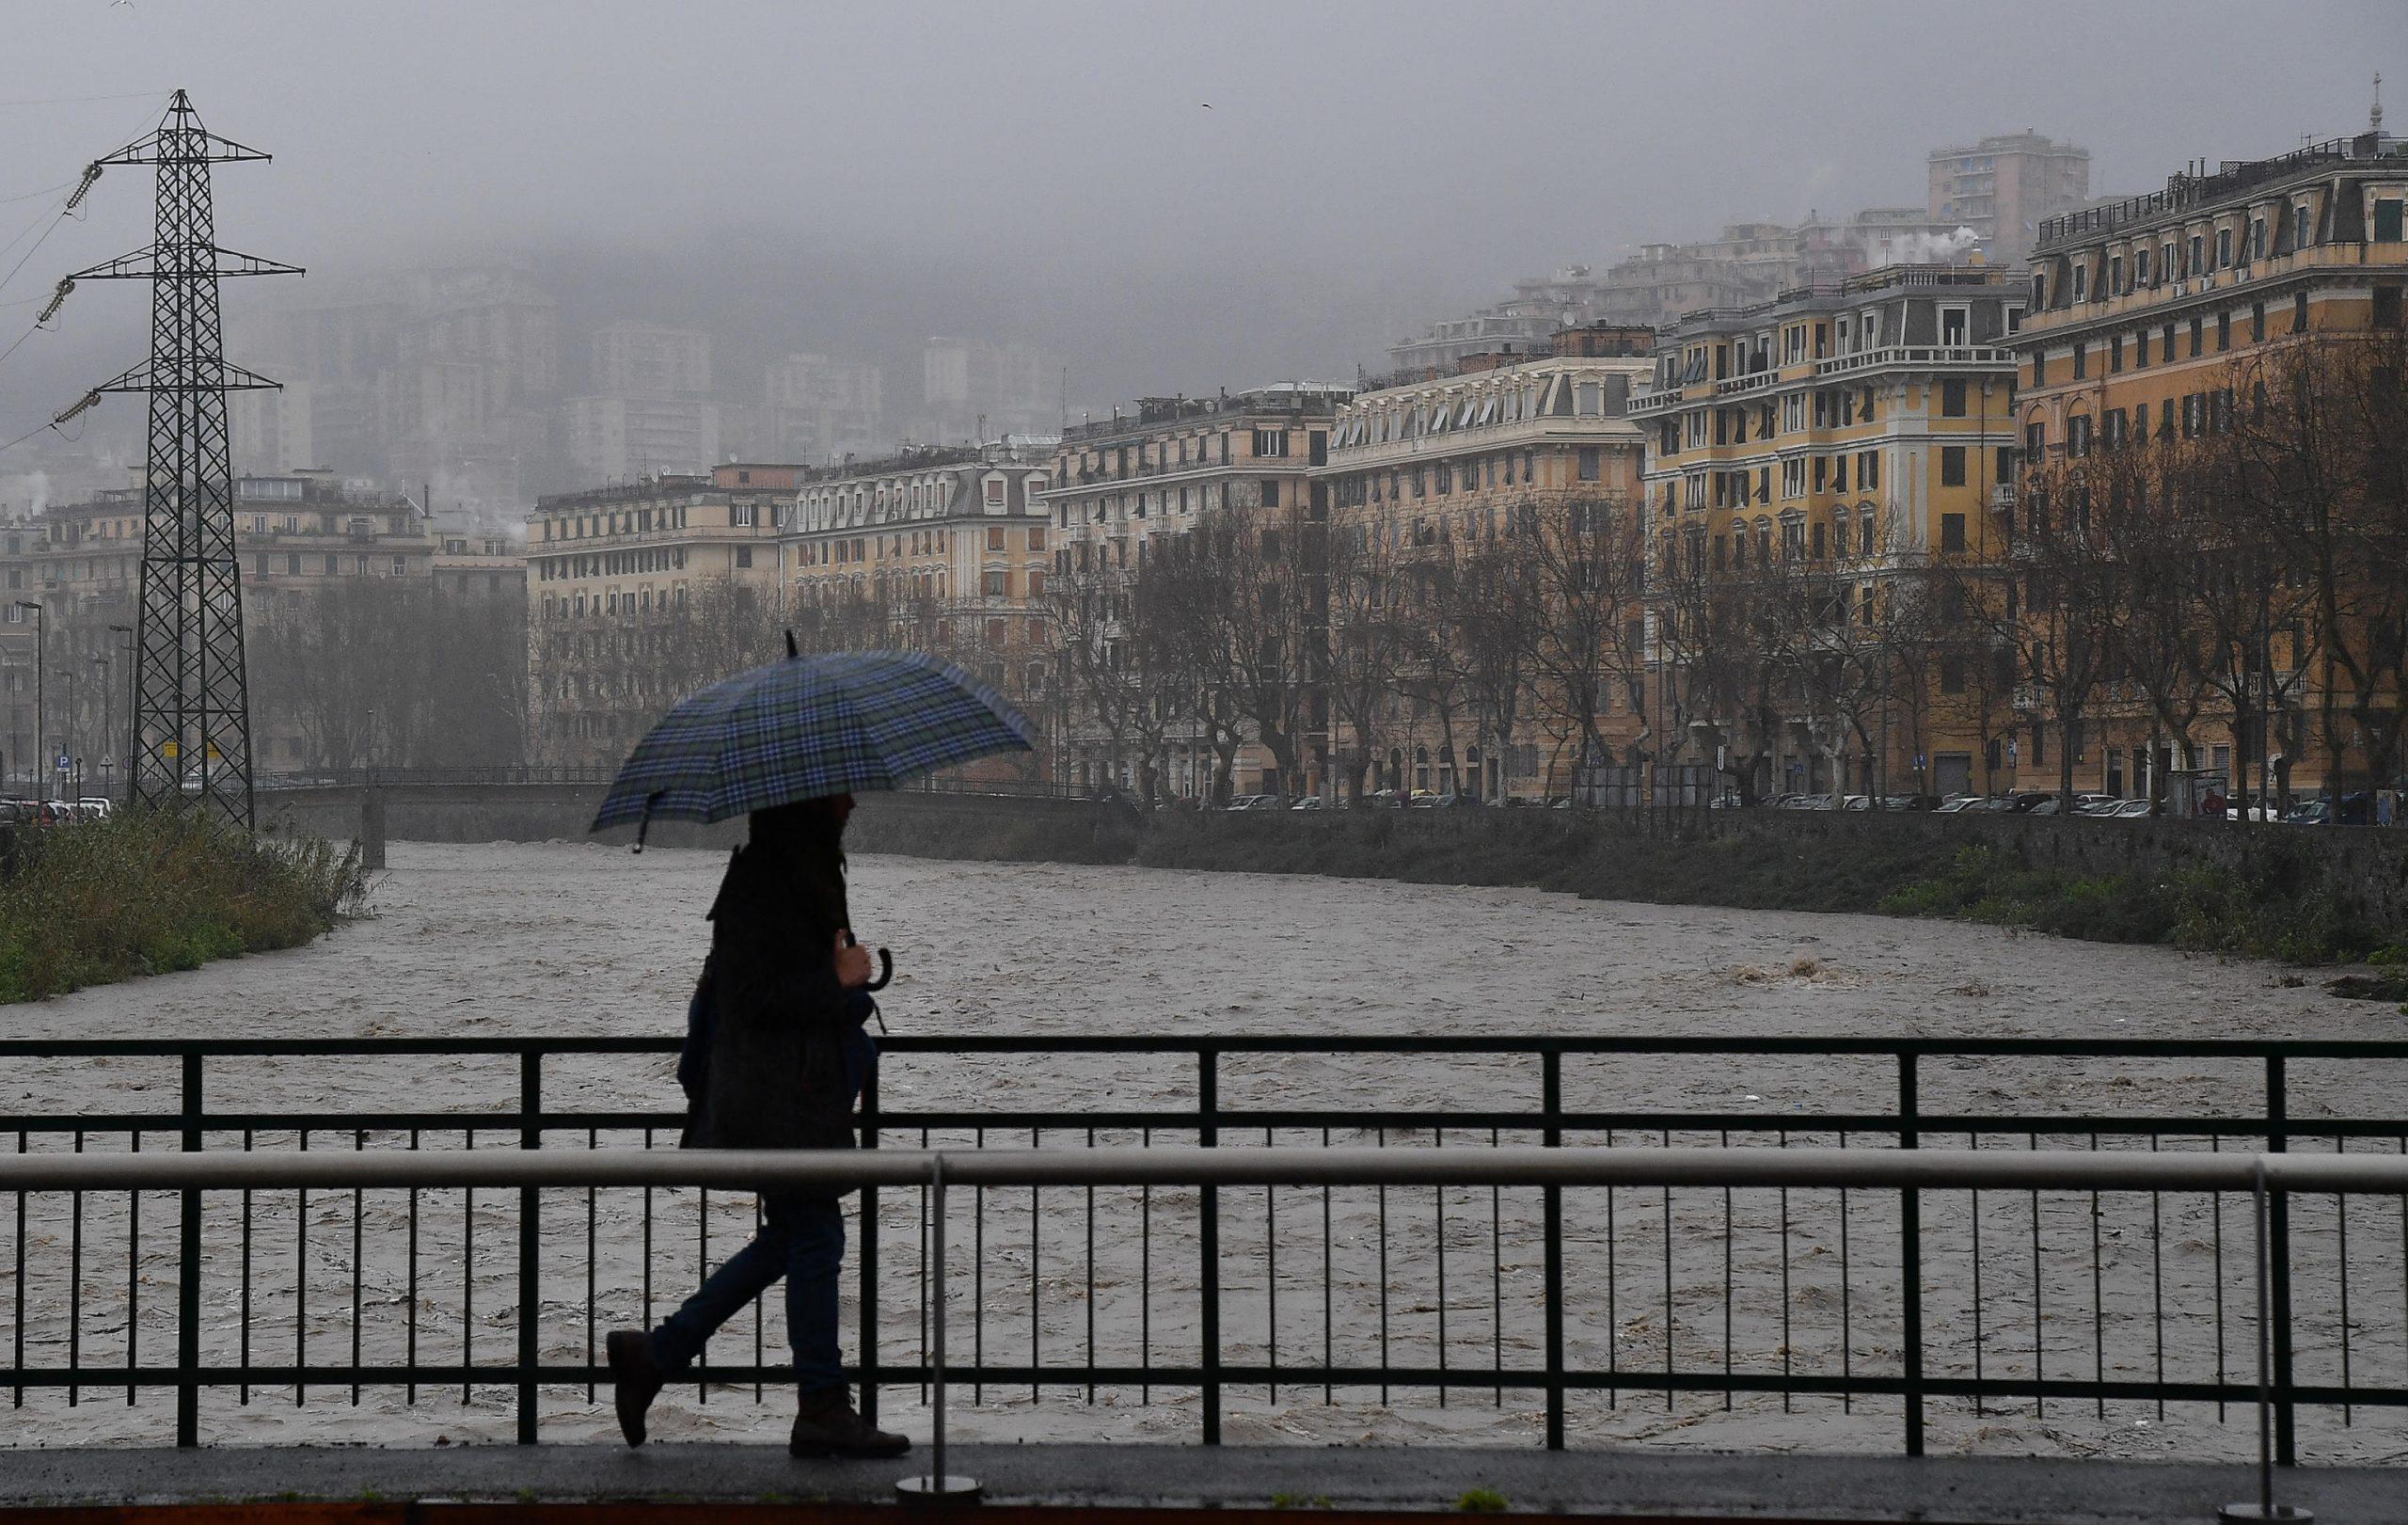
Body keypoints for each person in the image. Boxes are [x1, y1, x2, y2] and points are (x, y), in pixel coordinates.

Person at [605, 792, 907, 1459]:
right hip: (780, 1099)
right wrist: (836, 977)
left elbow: (782, 986)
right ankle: (821, 1405)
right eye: (840, 791)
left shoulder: (796, 870)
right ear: (811, 801)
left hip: (794, 1094)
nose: (852, 800)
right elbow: (754, 996)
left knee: (795, 1237)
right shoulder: (768, 878)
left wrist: (839, 974)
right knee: (816, 1231)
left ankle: (655, 1355)